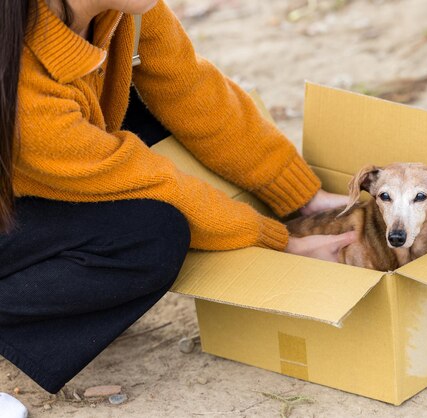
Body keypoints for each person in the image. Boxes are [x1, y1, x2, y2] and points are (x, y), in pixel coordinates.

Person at [0, 0, 356, 410]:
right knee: (152, 235)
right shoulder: (20, 74)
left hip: (32, 176)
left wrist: (303, 196)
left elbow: (191, 91)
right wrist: (280, 242)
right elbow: (148, 179)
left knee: (153, 113)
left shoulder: (126, 8)